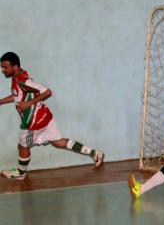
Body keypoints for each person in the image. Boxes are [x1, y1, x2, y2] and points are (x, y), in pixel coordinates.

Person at [0, 52, 104, 180]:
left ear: (15, 66)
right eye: (2, 67)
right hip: (45, 116)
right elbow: (18, 96)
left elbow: (47, 92)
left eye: (5, 67)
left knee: (22, 146)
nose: (3, 70)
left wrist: (28, 104)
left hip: (33, 122)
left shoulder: (23, 80)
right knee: (58, 142)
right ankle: (95, 154)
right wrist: (1, 101)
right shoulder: (20, 76)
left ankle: (21, 174)